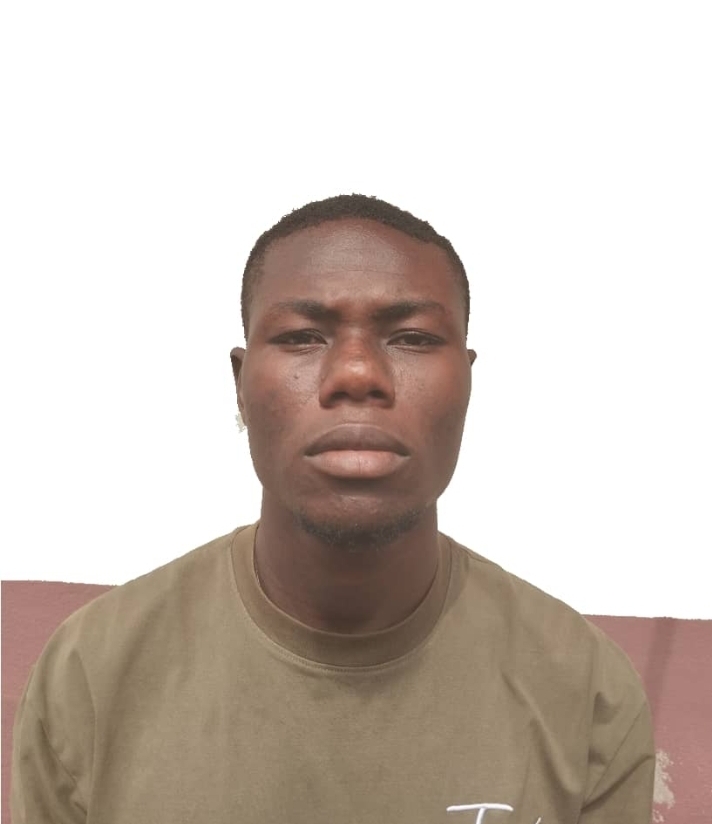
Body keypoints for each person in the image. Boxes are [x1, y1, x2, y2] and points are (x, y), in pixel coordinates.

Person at [11, 194, 655, 823]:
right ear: (240, 385)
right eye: (301, 336)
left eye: (411, 337)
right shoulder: (90, 674)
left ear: (467, 380)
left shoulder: (584, 689)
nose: (355, 373)